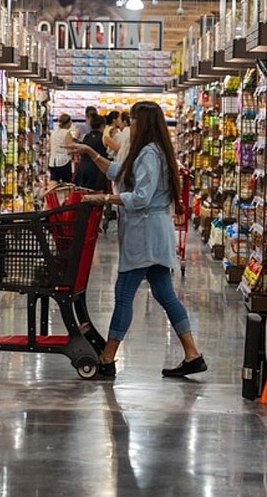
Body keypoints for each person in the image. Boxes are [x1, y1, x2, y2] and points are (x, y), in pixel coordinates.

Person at [72, 101, 206, 379]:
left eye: (132, 120)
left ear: (142, 123)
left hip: (145, 234)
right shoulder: (148, 151)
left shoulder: (149, 154)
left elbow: (142, 197)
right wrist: (90, 152)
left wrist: (105, 198)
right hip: (152, 232)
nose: (128, 124)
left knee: (123, 294)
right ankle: (193, 355)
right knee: (164, 293)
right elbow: (117, 172)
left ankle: (107, 358)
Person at [73, 113, 108, 191]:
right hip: (97, 169)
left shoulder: (86, 137)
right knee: (96, 194)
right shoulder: (104, 138)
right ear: (103, 125)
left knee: (82, 192)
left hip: (83, 167)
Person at [47, 113, 76, 183]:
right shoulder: (67, 133)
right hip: (64, 162)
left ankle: (53, 194)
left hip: (52, 162)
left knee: (53, 184)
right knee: (66, 184)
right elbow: (71, 148)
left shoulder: (53, 133)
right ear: (69, 122)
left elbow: (49, 147)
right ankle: (64, 194)